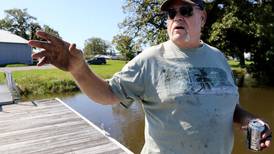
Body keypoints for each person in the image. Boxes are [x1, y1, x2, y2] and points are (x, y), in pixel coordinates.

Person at [28, 0, 272, 153]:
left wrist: (250, 121)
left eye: (185, 10)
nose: (177, 17)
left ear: (203, 17)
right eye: (170, 13)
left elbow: (230, 105)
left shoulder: (219, 58)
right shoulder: (150, 59)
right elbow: (108, 94)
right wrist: (79, 70)